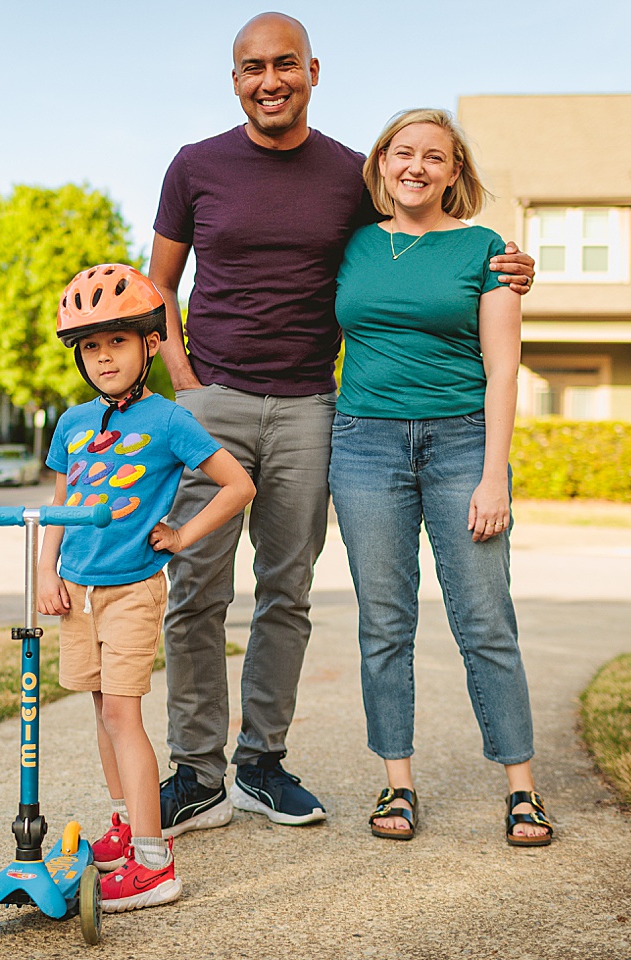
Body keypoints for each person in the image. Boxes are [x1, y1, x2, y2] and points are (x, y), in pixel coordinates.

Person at [148, 11, 535, 835]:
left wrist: (506, 266)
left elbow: (418, 242)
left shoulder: (350, 177)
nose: (270, 81)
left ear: (313, 71)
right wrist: (184, 387)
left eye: (285, 64)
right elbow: (159, 290)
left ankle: (260, 765)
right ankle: (195, 772)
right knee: (196, 589)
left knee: (285, 593)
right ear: (235, 79)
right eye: (253, 67)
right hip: (211, 404)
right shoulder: (193, 166)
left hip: (312, 409)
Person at [329, 108, 552, 846]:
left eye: (434, 156)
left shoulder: (486, 250)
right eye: (403, 153)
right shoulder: (354, 242)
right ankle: (397, 784)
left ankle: (521, 789)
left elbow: (503, 370)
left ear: (455, 171)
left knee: (485, 620)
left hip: (462, 445)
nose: (416, 166)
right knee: (383, 622)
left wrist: (495, 477)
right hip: (364, 447)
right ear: (381, 164)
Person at [37, 264, 256, 912]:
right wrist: (47, 571)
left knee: (122, 715)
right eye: (91, 346)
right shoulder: (72, 423)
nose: (104, 357)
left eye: (117, 341)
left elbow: (238, 484)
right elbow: (59, 504)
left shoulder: (168, 420)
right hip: (76, 591)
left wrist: (184, 535)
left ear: (151, 344)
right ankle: (124, 826)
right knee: (99, 710)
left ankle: (155, 861)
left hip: (131, 591)